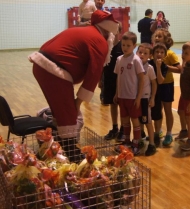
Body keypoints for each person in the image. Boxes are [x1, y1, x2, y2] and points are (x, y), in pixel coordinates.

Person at [29, 10, 119, 162]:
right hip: (54, 70)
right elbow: (93, 75)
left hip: (44, 66)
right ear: (108, 31)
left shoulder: (87, 31)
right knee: (69, 114)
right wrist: (78, 102)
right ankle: (71, 153)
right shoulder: (100, 41)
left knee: (63, 111)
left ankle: (61, 145)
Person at [113, 32, 145, 155]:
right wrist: (117, 93)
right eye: (123, 45)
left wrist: (138, 97)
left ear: (134, 46)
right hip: (122, 96)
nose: (125, 47)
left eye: (128, 45)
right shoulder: (119, 59)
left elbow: (142, 79)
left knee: (134, 120)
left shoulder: (136, 60)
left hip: (132, 97)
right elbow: (118, 78)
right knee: (125, 120)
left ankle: (136, 143)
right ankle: (126, 142)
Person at [152, 29, 181, 146]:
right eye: (156, 36)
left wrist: (164, 67)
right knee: (157, 109)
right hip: (156, 85)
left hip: (167, 85)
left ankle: (169, 133)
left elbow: (180, 69)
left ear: (166, 39)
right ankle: (157, 131)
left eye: (160, 36)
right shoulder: (154, 52)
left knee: (168, 110)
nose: (157, 38)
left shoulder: (170, 54)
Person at [103, 23, 124, 141]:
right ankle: (115, 127)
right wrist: (101, 80)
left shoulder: (122, 47)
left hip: (120, 80)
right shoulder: (107, 46)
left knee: (121, 104)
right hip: (108, 78)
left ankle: (123, 129)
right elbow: (103, 64)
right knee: (112, 103)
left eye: (116, 30)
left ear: (119, 31)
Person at [136, 43, 157, 156]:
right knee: (138, 121)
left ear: (150, 56)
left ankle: (152, 144)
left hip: (145, 98)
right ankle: (139, 140)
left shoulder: (149, 68)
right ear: (136, 52)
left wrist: (152, 97)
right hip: (135, 97)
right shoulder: (134, 65)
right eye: (140, 52)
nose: (142, 55)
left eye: (145, 53)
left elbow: (154, 83)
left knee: (148, 122)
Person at [148, 43, 169, 147]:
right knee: (146, 115)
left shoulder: (164, 66)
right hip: (146, 93)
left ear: (165, 54)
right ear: (152, 54)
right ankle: (148, 134)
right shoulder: (148, 63)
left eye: (161, 52)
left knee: (157, 115)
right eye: (157, 52)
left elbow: (160, 81)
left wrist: (158, 67)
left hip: (157, 94)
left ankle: (156, 134)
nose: (159, 54)